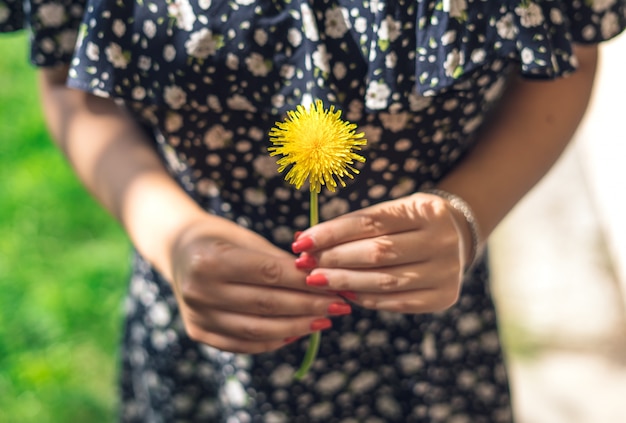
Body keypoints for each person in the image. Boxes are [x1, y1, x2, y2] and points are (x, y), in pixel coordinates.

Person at [2, 0, 625, 421]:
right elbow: (69, 75)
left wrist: (467, 214)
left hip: (430, 350)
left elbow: (569, 56)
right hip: (201, 342)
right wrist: (170, 231)